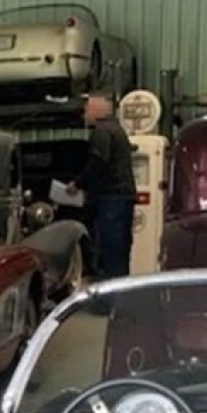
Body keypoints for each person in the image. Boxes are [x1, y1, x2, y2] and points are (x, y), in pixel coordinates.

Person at [65, 92, 137, 279]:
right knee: (120, 249)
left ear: (97, 110)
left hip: (111, 197)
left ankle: (111, 299)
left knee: (110, 248)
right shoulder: (116, 129)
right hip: (123, 196)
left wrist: (79, 184)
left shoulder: (102, 132)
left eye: (87, 109)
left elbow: (99, 161)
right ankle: (121, 293)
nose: (84, 114)